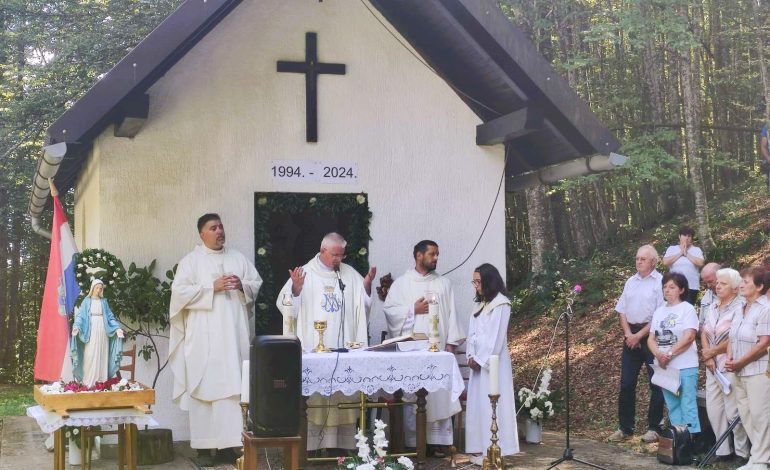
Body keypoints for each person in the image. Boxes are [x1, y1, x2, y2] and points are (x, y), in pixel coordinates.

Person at [169, 214, 263, 465]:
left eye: (221, 226)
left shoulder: (237, 258)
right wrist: (213, 287)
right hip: (203, 339)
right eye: (213, 228)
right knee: (204, 389)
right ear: (202, 234)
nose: (220, 231)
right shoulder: (190, 262)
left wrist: (242, 285)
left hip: (233, 337)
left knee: (232, 390)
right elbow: (178, 294)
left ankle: (228, 446)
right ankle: (203, 449)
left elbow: (256, 284)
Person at [276, 232, 375, 451]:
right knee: (318, 397)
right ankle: (315, 445)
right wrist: (296, 289)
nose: (339, 259)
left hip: (344, 348)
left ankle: (345, 445)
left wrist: (366, 287)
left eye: (341, 255)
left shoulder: (349, 274)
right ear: (322, 251)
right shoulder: (304, 273)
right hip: (315, 348)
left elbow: (364, 306)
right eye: (335, 255)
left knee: (344, 394)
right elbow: (284, 305)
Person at [383, 240, 464, 452]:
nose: (436, 258)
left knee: (438, 396)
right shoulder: (401, 284)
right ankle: (415, 444)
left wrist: (450, 345)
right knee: (414, 397)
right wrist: (413, 310)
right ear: (419, 255)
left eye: (437, 254)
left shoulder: (444, 284)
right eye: (432, 254)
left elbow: (452, 316)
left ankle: (439, 444)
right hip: (413, 355)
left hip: (438, 354)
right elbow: (389, 312)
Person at [608, 245, 665, 443]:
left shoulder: (660, 282)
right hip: (630, 335)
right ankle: (625, 427)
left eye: (643, 259)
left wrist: (639, 335)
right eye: (637, 258)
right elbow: (621, 310)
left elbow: (659, 314)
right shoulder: (630, 282)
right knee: (626, 383)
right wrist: (628, 334)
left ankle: (655, 427)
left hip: (650, 336)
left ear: (653, 262)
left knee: (656, 383)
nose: (638, 262)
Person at [465, 264, 518, 466]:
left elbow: (496, 338)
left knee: (493, 405)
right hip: (477, 364)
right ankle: (480, 447)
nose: (475, 286)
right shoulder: (479, 305)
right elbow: (472, 334)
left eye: (478, 281)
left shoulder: (501, 304)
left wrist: (480, 360)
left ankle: (497, 449)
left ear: (489, 281)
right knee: (479, 406)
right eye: (474, 281)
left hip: (492, 365)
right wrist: (470, 355)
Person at [700, 268, 749, 463]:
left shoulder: (741, 307)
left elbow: (733, 337)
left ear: (735, 288)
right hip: (712, 366)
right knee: (714, 409)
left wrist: (713, 353)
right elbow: (704, 330)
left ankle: (742, 452)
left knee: (733, 411)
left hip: (730, 364)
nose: (717, 286)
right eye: (717, 283)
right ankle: (722, 451)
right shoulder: (712, 305)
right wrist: (707, 356)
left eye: (723, 283)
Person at [726, 267, 770, 470]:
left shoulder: (765, 308)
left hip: (759, 371)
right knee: (746, 415)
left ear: (760, 287)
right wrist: (730, 357)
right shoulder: (739, 307)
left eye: (746, 281)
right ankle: (756, 457)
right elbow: (731, 336)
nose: (741, 284)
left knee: (761, 416)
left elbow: (764, 343)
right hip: (738, 371)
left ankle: (762, 460)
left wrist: (741, 361)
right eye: (741, 280)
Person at [648, 272, 701, 437]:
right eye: (665, 287)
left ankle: (692, 440)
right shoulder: (659, 311)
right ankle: (679, 441)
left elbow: (689, 336)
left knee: (688, 405)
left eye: (672, 287)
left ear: (682, 289)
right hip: (665, 367)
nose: (667, 290)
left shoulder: (687, 309)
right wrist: (658, 354)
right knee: (673, 406)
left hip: (685, 365)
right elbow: (651, 338)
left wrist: (669, 354)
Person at [70, 279, 125, 387]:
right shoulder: (86, 301)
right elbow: (81, 316)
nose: (99, 290)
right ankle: (88, 382)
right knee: (89, 354)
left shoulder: (104, 301)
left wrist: (117, 328)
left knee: (102, 353)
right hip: (91, 330)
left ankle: (101, 382)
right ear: (93, 288)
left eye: (101, 288)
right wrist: (76, 326)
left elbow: (110, 317)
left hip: (103, 330)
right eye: (97, 288)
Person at [663, 226, 705, 304]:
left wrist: (686, 254)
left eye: (689, 236)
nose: (687, 238)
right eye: (684, 235)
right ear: (679, 236)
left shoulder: (696, 250)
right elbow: (665, 262)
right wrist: (680, 253)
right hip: (673, 287)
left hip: (691, 287)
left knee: (687, 310)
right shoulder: (672, 249)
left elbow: (700, 263)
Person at [699, 262, 721, 327]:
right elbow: (701, 324)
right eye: (705, 283)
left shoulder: (738, 294)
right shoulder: (706, 297)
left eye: (710, 282)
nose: (708, 286)